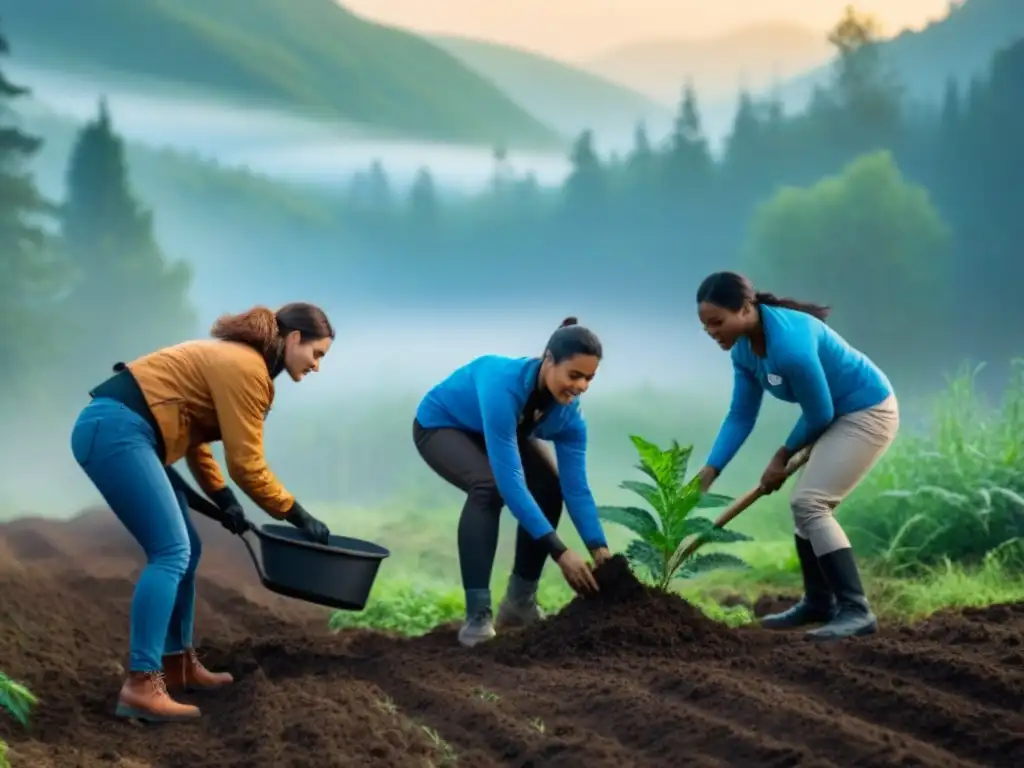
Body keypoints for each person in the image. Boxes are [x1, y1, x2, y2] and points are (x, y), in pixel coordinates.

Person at [69, 302, 335, 722]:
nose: (317, 366)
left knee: (187, 549)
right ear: (295, 339)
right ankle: (142, 683)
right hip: (118, 431)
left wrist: (222, 497)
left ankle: (176, 664)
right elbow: (247, 464)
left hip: (127, 431)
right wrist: (296, 513)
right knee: (171, 551)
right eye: (317, 354)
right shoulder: (247, 368)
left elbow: (194, 432)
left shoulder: (238, 360)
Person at [694, 272, 898, 641]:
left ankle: (856, 610)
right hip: (834, 415)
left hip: (866, 411)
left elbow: (820, 412)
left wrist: (782, 456)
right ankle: (819, 604)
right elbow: (741, 414)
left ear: (744, 309)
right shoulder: (742, 347)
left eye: (717, 322)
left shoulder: (790, 345)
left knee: (810, 503)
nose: (710, 331)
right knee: (804, 507)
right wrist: (712, 468)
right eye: (704, 324)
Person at [413, 317, 613, 647]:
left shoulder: (570, 419)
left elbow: (576, 488)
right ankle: (477, 618)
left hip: (504, 430)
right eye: (574, 375)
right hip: (442, 426)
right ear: (548, 360)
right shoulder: (503, 385)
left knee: (550, 489)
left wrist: (598, 546)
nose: (580, 386)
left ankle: (520, 604)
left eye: (589, 378)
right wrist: (560, 552)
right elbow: (511, 483)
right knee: (488, 488)